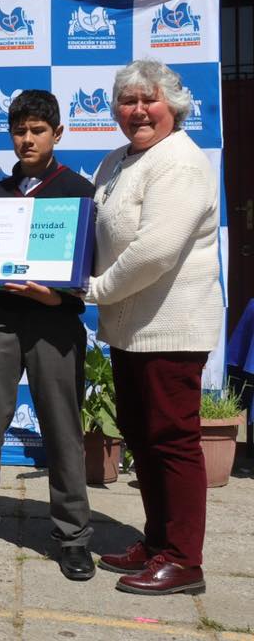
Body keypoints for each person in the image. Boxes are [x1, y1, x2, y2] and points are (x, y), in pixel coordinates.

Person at [0, 91, 95, 581]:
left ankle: (73, 537)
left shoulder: (80, 190)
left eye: (37, 131)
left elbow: (92, 268)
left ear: (57, 134)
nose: (27, 139)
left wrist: (59, 298)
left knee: (63, 429)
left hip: (54, 321)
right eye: (19, 131)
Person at [86, 60, 219, 596]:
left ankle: (184, 561)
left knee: (173, 441)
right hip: (130, 329)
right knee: (143, 437)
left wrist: (93, 289)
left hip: (170, 327)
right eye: (128, 101)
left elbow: (155, 251)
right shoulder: (117, 161)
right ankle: (158, 540)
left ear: (174, 106)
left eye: (149, 99)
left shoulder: (180, 161)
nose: (138, 110)